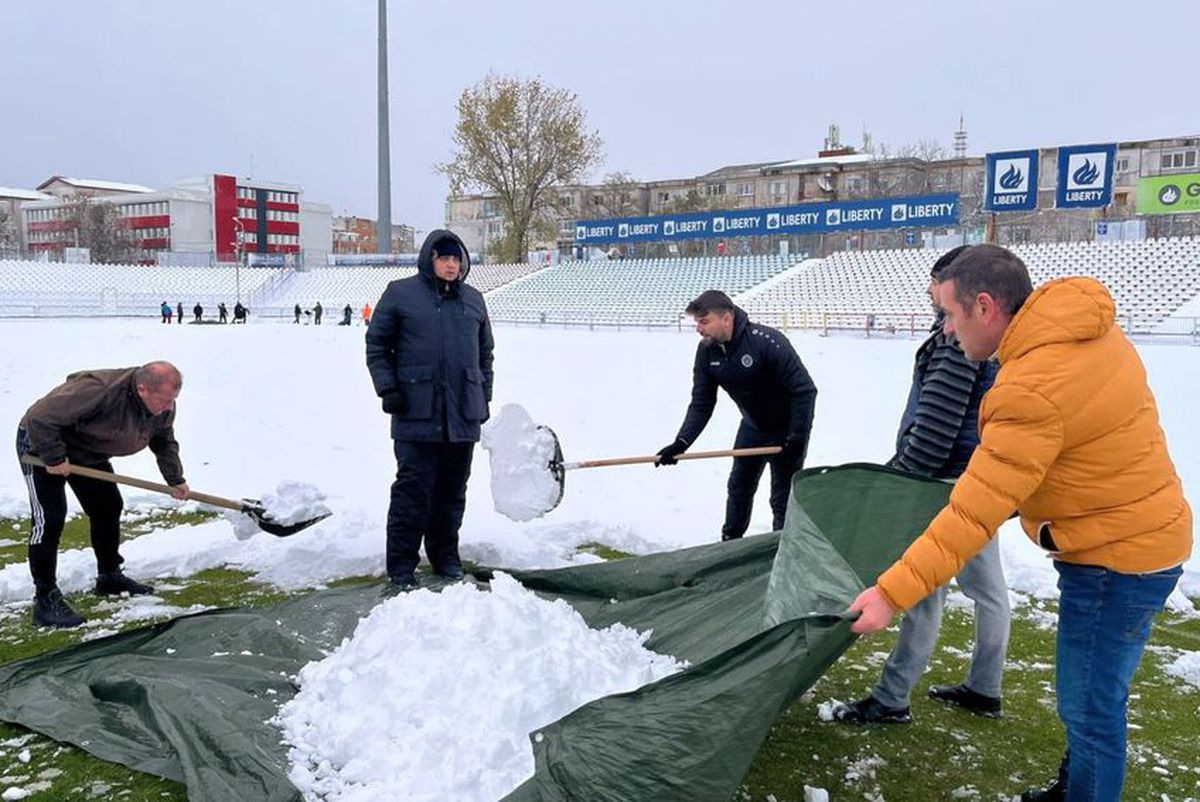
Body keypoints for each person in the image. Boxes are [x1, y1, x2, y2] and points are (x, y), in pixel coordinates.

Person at [847, 245, 1192, 802]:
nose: (949, 333)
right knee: (1096, 696)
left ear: (984, 307)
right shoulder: (1083, 332)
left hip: (1117, 559)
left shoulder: (1029, 385)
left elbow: (971, 512)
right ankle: (1073, 786)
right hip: (1144, 532)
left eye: (952, 317)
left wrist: (891, 593)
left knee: (1090, 707)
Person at [833, 246, 1011, 726]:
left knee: (919, 591)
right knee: (987, 589)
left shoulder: (955, 341)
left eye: (935, 284)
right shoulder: (971, 337)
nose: (930, 293)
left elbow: (933, 432)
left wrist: (899, 482)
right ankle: (984, 688)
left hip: (938, 486)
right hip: (975, 481)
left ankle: (892, 697)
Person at [17, 361, 191, 629]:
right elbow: (39, 418)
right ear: (143, 389)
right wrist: (54, 456)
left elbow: (163, 440)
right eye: (165, 400)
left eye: (172, 400)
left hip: (86, 452)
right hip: (41, 445)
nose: (169, 407)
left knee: (108, 506)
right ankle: (45, 598)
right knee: (49, 518)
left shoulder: (163, 406)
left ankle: (109, 576)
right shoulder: (99, 390)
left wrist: (175, 479)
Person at [366, 230, 494, 590]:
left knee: (452, 493)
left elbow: (485, 356)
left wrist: (483, 397)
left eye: (457, 259)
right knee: (413, 490)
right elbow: (377, 345)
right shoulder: (400, 294)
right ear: (429, 259)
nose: (452, 265)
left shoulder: (474, 300)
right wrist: (388, 388)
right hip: (415, 411)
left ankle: (446, 557)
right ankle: (402, 566)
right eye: (444, 258)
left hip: (462, 414)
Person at [655, 290, 817, 540]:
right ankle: (730, 545)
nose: (699, 329)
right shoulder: (707, 352)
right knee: (739, 488)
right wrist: (681, 443)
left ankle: (782, 551)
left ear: (727, 318)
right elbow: (702, 402)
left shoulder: (767, 342)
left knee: (782, 499)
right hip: (753, 427)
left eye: (704, 321)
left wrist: (797, 438)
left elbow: (804, 390)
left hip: (787, 432)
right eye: (697, 322)